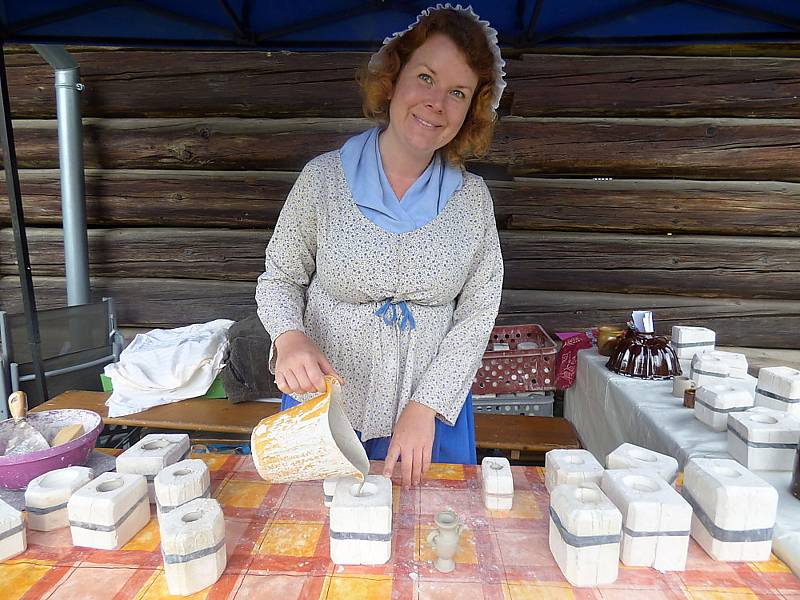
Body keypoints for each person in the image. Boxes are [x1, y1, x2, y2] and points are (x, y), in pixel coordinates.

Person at [255, 4, 505, 487]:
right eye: (426, 78)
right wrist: (289, 338)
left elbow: (478, 313)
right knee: (319, 545)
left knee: (432, 544)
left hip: (429, 422)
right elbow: (280, 278)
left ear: (472, 109)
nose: (437, 103)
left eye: (458, 92)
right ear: (393, 78)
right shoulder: (322, 180)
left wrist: (425, 406)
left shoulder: (472, 201)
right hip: (326, 409)